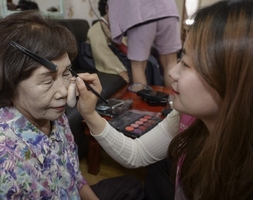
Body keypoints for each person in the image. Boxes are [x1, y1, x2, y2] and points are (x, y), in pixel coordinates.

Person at [75, 0, 253, 199]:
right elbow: (137, 153)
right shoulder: (184, 116)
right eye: (180, 58)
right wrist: (89, 112)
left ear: (232, 81)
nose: (172, 72)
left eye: (185, 64)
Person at [0, 10, 144, 199]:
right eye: (47, 81)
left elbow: (74, 178)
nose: (64, 92)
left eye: (66, 74)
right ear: (9, 83)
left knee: (132, 186)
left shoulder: (57, 118)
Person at [107, 0, 182, 90]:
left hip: (139, 13)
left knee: (138, 66)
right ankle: (173, 102)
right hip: (167, 9)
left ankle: (140, 102)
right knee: (170, 62)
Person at [86, 0, 164, 86]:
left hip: (122, 56)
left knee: (150, 61)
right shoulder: (96, 29)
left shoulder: (115, 28)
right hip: (114, 60)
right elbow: (101, 52)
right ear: (107, 8)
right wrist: (119, 70)